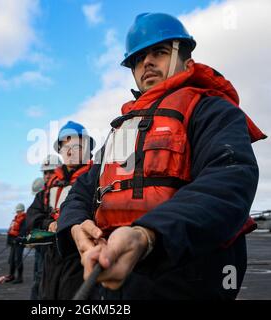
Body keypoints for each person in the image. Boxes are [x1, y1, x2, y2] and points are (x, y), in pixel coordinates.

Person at [57, 13, 267, 300]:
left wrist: (148, 235)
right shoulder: (123, 129)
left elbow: (229, 181)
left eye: (160, 52)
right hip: (113, 274)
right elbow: (83, 188)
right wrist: (76, 224)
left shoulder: (212, 110)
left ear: (185, 58)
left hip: (185, 277)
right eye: (139, 58)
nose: (147, 62)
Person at [35, 121, 95, 299]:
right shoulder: (52, 183)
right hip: (51, 255)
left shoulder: (96, 176)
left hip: (80, 255)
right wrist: (48, 223)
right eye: (65, 146)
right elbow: (34, 214)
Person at [27, 155, 62, 300]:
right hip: (43, 247)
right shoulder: (42, 196)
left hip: (62, 247)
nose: (47, 176)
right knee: (39, 280)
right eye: (45, 173)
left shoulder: (70, 191)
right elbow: (32, 217)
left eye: (51, 171)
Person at [0, 203, 27, 284]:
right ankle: (11, 276)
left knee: (18, 259)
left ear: (22, 211)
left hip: (19, 242)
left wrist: (17, 239)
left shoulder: (24, 219)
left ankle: (20, 278)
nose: (18, 213)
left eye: (19, 211)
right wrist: (9, 241)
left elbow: (23, 231)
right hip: (13, 242)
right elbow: (12, 230)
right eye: (17, 211)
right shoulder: (16, 219)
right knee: (12, 259)